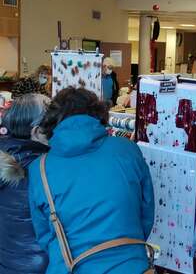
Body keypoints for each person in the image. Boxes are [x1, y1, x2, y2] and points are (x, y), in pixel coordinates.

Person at [28, 87, 154, 273]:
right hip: (129, 264)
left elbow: (44, 234)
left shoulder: (40, 168)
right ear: (98, 113)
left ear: (52, 119)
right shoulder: (127, 150)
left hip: (71, 266)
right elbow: (146, 210)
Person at [0, 94, 50, 274]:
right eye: (52, 123)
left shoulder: (7, 158)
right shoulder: (41, 169)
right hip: (40, 265)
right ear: (36, 132)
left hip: (8, 262)